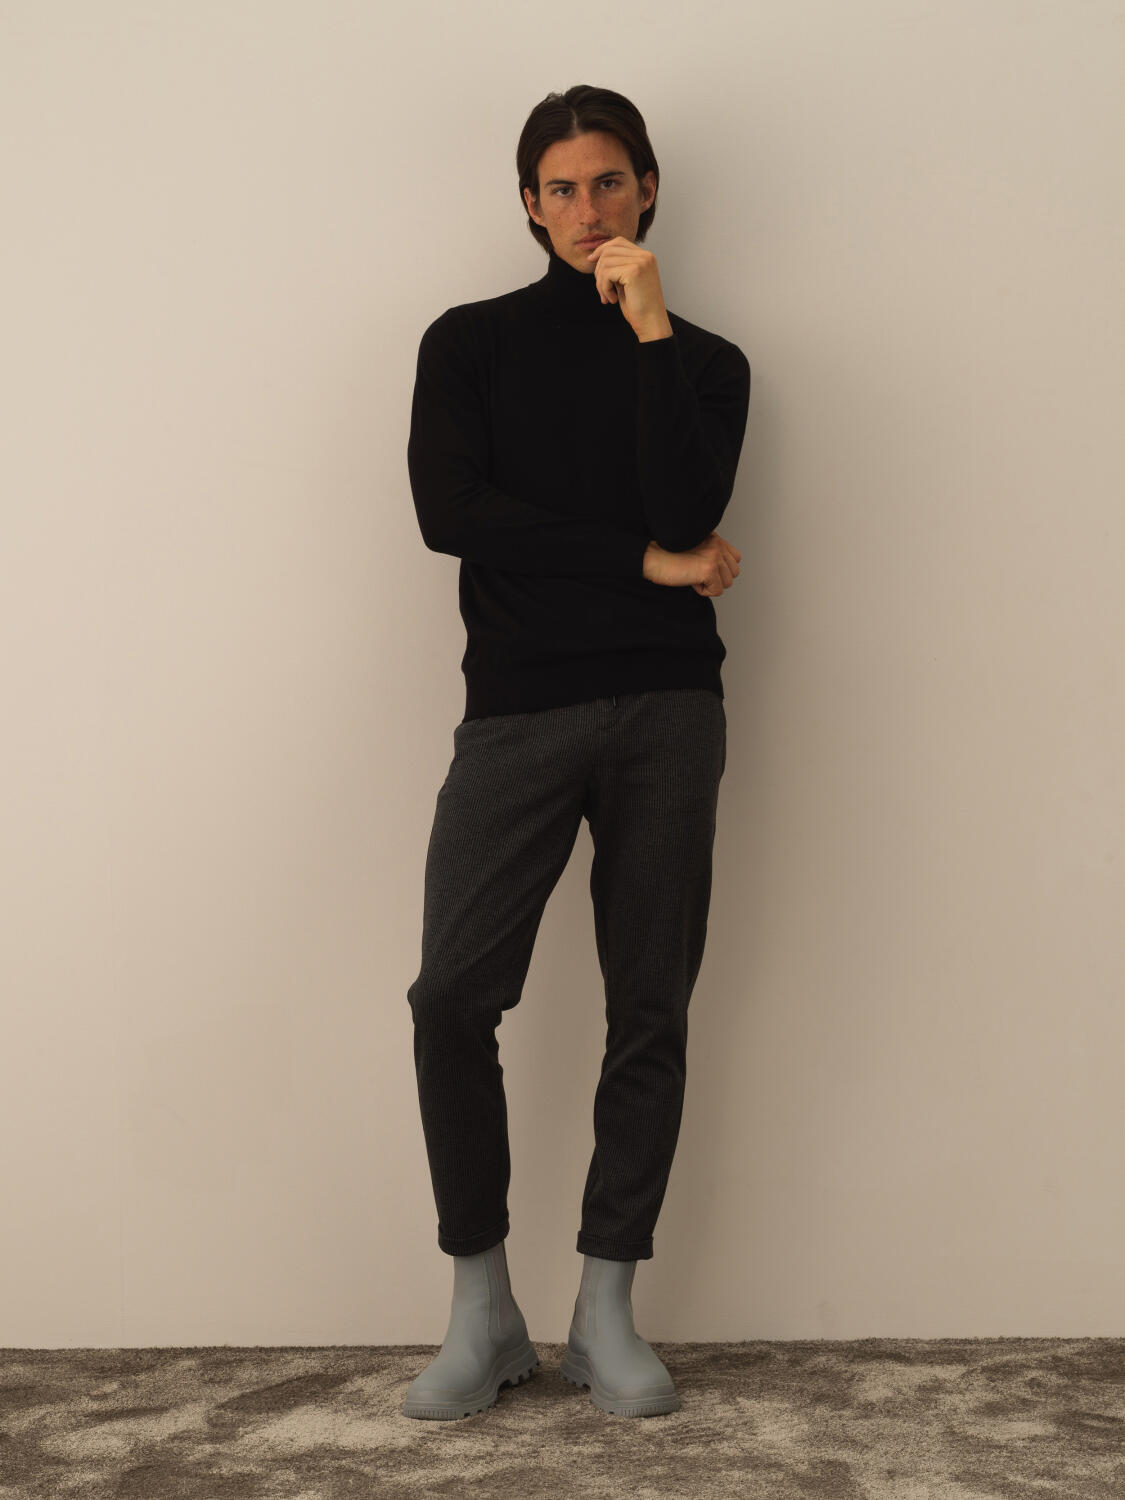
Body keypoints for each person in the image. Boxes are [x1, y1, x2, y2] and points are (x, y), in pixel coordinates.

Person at [401, 84, 751, 1421]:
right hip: (519, 709)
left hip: (669, 708)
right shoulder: (470, 343)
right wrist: (642, 564)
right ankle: (481, 1308)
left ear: (647, 190)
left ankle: (607, 1306)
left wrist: (649, 329)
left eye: (609, 182)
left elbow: (687, 505)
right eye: (561, 187)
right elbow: (454, 511)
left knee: (648, 1005)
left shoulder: (704, 361)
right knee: (451, 998)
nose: (587, 209)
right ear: (528, 203)